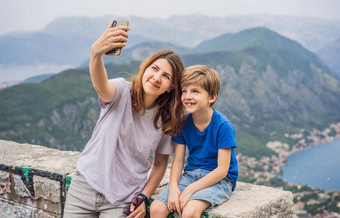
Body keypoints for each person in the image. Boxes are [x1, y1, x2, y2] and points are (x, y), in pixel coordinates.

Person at [63, 21, 185, 218]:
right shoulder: (121, 91)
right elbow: (102, 86)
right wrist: (96, 55)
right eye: (154, 68)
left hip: (124, 199)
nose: (156, 77)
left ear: (171, 86)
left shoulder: (166, 119)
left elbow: (160, 164)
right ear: (145, 69)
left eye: (166, 76)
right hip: (84, 187)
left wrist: (144, 196)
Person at [150, 65, 238, 218]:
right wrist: (173, 189)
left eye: (195, 91)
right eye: (184, 91)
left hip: (219, 179)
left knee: (190, 211)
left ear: (212, 97)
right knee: (157, 208)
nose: (187, 96)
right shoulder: (183, 123)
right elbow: (178, 161)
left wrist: (190, 190)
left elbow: (222, 170)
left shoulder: (223, 126)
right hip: (191, 175)